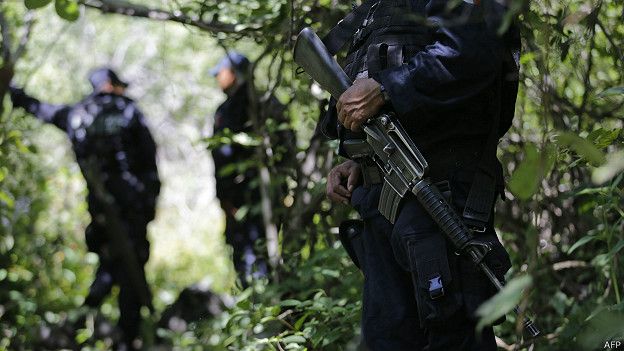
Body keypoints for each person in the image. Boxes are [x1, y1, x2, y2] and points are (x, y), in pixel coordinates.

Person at [321, 0, 520, 350]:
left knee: (453, 334)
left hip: (439, 198)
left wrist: (385, 89)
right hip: (381, 202)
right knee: (388, 339)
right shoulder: (377, 10)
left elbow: (472, 54)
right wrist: (359, 157)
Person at [10, 67, 160, 349]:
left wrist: (14, 92)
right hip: (132, 208)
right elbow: (150, 159)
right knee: (128, 269)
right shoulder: (128, 112)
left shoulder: (77, 114)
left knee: (111, 265)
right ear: (111, 85)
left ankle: (81, 326)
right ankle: (124, 337)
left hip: (102, 211)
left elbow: (41, 110)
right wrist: (150, 204)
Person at [209, 52, 269, 285]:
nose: (217, 78)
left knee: (250, 252)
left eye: (220, 73)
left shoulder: (236, 110)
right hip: (248, 197)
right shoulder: (264, 102)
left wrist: (226, 197)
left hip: (247, 197)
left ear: (234, 74)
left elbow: (223, 157)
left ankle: (262, 308)